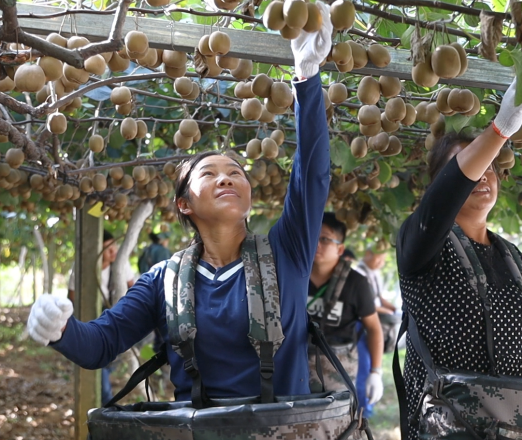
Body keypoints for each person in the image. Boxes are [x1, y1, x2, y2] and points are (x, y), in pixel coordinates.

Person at [26, 4, 333, 403]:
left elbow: (311, 176)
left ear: (249, 194)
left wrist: (307, 81)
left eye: (236, 172)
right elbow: (101, 344)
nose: (226, 176)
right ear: (184, 204)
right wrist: (60, 329)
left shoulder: (286, 253)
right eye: (208, 174)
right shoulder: (163, 281)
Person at [396, 80, 522, 440]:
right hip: (452, 426)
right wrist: (500, 129)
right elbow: (445, 196)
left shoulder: (510, 256)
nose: (484, 173)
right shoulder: (421, 242)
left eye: (491, 166)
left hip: (518, 425)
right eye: (473, 165)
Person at [307, 212, 384, 406]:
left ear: (340, 249)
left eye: (324, 239)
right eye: (313, 236)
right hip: (297, 360)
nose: (317, 244)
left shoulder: (356, 283)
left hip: (337, 365)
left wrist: (376, 372)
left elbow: (374, 328)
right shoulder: (295, 275)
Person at [67, 230, 135, 405]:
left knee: (114, 357)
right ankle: (106, 401)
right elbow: (73, 298)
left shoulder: (121, 264)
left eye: (114, 245)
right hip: (94, 319)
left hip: (119, 316)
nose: (113, 251)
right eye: (107, 248)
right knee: (101, 364)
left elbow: (134, 289)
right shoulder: (83, 268)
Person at [355, 248, 399, 417]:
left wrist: (392, 309)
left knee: (373, 366)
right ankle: (362, 409)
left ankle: (367, 406)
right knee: (363, 367)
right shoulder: (358, 275)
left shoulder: (376, 273)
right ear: (367, 254)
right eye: (378, 259)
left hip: (377, 324)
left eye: (383, 260)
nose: (380, 264)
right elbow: (367, 305)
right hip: (362, 327)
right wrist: (383, 311)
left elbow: (379, 298)